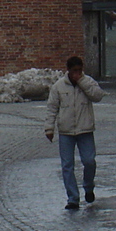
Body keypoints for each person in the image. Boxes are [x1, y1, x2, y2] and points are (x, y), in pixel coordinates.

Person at [44, 55, 106, 210]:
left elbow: (98, 96)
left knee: (89, 161)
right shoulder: (59, 87)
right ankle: (73, 198)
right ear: (68, 71)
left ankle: (88, 186)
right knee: (67, 165)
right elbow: (52, 108)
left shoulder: (88, 82)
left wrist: (82, 82)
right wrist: (49, 128)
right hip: (66, 131)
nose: (77, 73)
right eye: (74, 71)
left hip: (85, 129)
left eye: (79, 70)